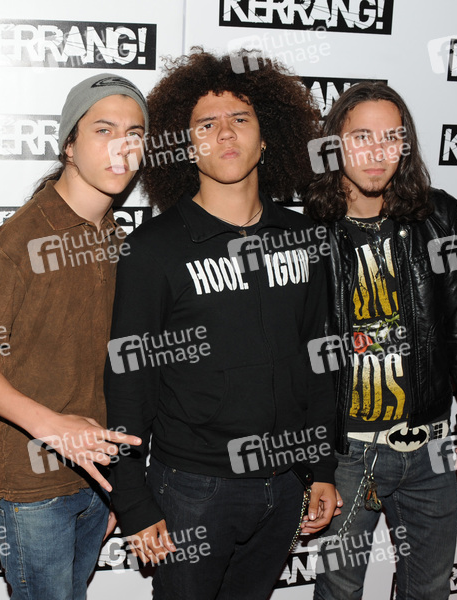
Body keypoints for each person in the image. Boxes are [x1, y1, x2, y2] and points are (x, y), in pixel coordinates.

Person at [104, 48, 341, 600]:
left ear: (267, 136)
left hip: (287, 484)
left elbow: (319, 362)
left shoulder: (305, 238)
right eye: (206, 124)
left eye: (240, 118)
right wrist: (133, 501)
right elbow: (128, 384)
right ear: (186, 145)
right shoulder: (153, 250)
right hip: (193, 489)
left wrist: (322, 467)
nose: (225, 134)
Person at [0, 74, 146, 600]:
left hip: (101, 476)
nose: (122, 146)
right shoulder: (20, 241)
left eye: (135, 133)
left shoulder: (116, 239)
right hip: (35, 485)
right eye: (104, 130)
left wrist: (125, 487)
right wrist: (53, 428)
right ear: (69, 146)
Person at [304, 82, 457, 600]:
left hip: (432, 448)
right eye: (361, 136)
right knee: (339, 591)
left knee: (429, 589)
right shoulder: (310, 230)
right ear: (333, 144)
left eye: (391, 137)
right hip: (349, 453)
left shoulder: (438, 216)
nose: (377, 152)